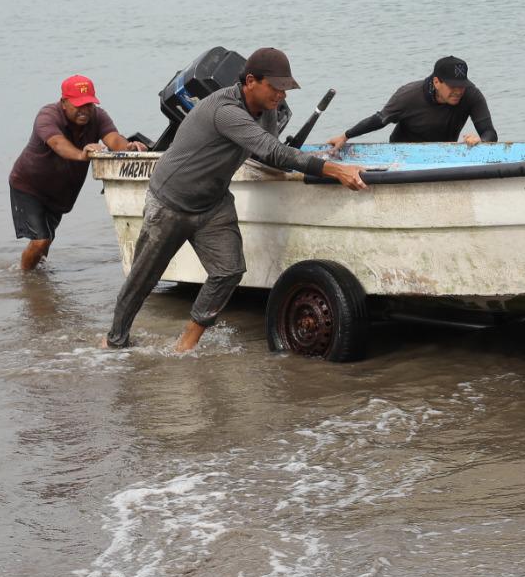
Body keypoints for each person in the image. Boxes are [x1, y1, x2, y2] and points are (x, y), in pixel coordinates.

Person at [104, 47, 368, 353]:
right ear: (251, 81)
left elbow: (269, 152)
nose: (281, 96)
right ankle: (114, 341)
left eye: (286, 89)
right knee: (142, 280)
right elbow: (272, 151)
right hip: (171, 201)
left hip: (213, 201)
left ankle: (187, 342)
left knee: (229, 270)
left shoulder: (267, 108)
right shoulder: (225, 110)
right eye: (276, 88)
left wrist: (318, 160)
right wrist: (335, 170)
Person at [9, 74, 146, 272]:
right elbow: (58, 144)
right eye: (78, 105)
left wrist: (130, 148)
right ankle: (24, 279)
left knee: (45, 242)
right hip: (29, 186)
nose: (85, 111)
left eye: (89, 105)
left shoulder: (98, 116)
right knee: (41, 240)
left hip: (59, 193)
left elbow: (114, 140)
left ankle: (38, 283)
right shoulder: (48, 116)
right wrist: (82, 155)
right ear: (64, 102)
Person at [327, 55, 498, 148]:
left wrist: (481, 141)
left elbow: (489, 132)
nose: (459, 91)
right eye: (453, 86)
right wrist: (345, 136)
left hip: (444, 152)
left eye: (462, 86)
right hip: (402, 152)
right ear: (437, 82)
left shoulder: (471, 95)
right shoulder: (409, 95)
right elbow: (380, 120)